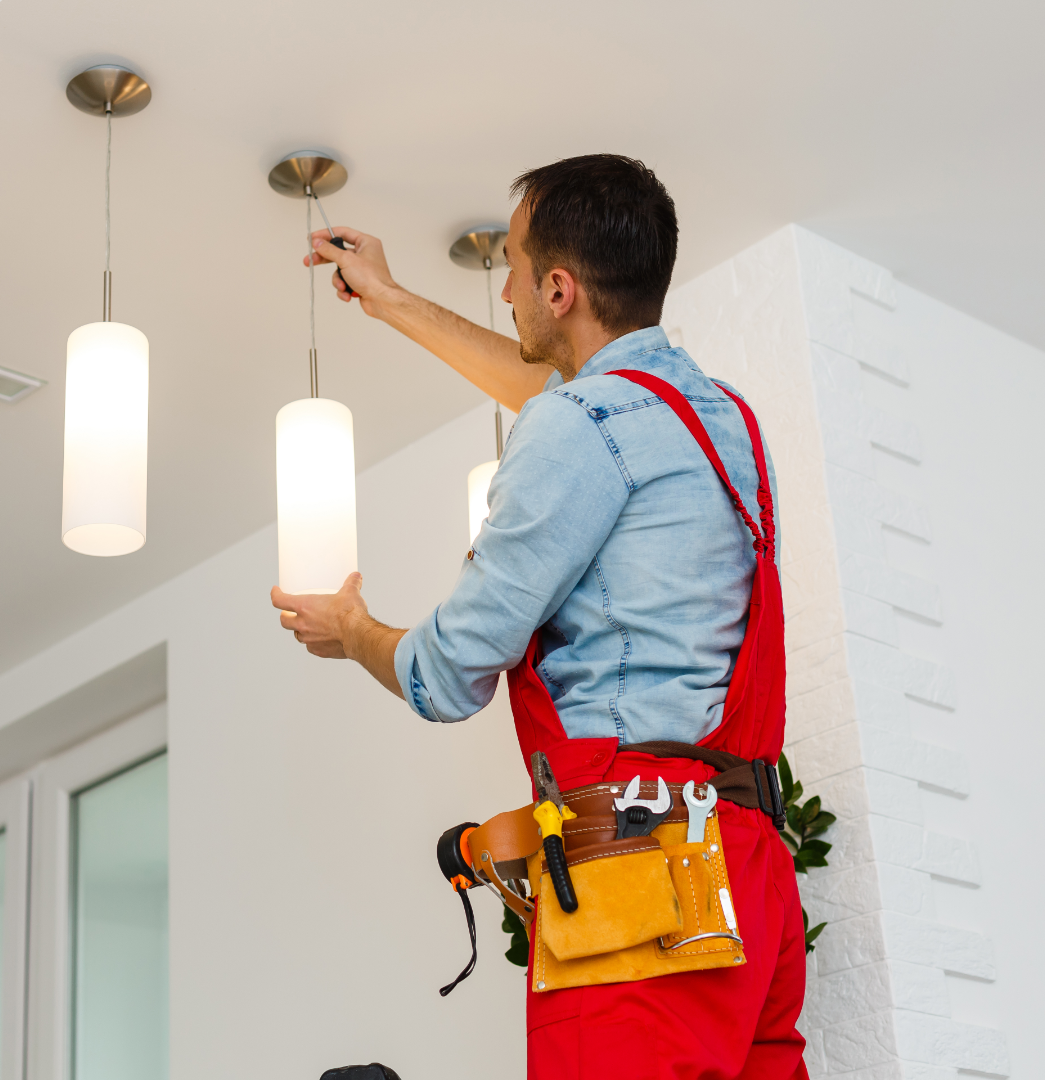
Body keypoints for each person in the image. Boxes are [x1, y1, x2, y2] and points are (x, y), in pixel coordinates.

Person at [270, 154, 808, 1080]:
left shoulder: (580, 431)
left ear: (559, 289)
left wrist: (353, 629)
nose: (505, 286)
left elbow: (444, 677)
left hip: (639, 872)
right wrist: (393, 299)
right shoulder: (717, 418)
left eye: (514, 266)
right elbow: (573, 410)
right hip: (749, 871)